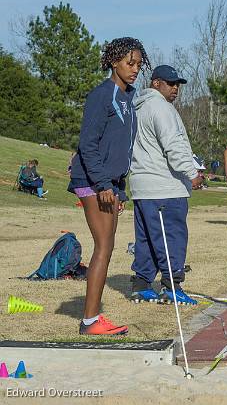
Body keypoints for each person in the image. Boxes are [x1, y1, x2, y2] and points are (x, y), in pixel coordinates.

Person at [68, 37, 150, 335]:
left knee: (108, 246)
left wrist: (119, 188)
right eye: (130, 63)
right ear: (114, 61)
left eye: (139, 65)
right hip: (92, 180)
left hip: (111, 183)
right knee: (104, 245)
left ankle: (93, 317)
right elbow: (87, 145)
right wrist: (103, 184)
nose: (135, 69)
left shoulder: (129, 97)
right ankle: (90, 321)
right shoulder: (102, 95)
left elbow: (122, 148)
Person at [128, 64, 203, 305]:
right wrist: (192, 173)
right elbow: (174, 146)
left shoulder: (136, 108)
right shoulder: (160, 108)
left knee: (147, 238)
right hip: (164, 187)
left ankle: (141, 285)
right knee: (172, 236)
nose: (175, 89)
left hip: (142, 187)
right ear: (156, 83)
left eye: (177, 84)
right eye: (170, 84)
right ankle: (172, 286)